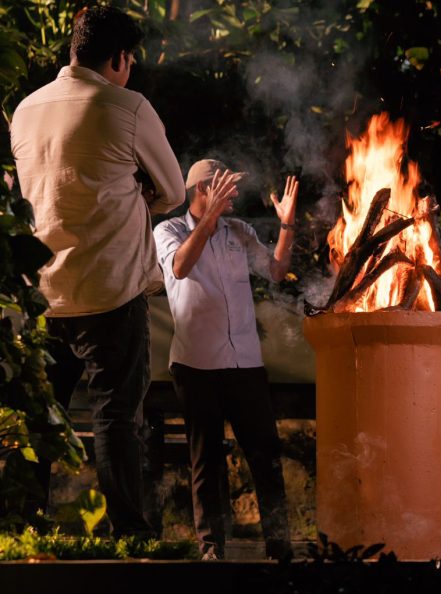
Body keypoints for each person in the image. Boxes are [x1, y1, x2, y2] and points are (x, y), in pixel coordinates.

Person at [10, 6, 185, 538]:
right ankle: (129, 531)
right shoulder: (127, 106)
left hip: (43, 289)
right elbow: (174, 192)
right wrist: (133, 194)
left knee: (40, 414)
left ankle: (20, 523)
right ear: (119, 58)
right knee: (115, 415)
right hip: (110, 288)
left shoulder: (26, 109)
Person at [153, 159, 298, 560]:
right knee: (206, 460)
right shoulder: (169, 230)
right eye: (227, 188)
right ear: (204, 189)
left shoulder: (241, 231)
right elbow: (180, 267)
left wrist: (286, 225)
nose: (235, 194)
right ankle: (211, 548)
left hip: (246, 363)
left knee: (265, 456)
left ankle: (280, 548)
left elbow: (276, 270)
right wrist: (210, 218)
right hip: (196, 364)